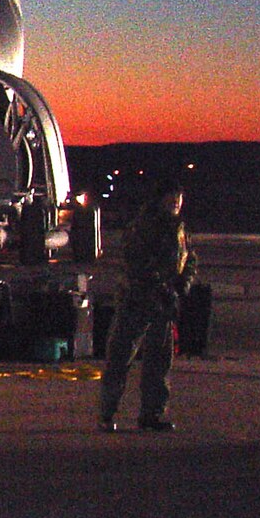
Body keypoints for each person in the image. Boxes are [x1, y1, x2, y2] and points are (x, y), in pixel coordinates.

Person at [97, 181, 196, 432]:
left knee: (159, 362)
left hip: (163, 306)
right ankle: (107, 413)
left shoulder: (179, 228)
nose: (176, 202)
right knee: (120, 358)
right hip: (137, 301)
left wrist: (182, 285)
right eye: (171, 196)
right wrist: (160, 287)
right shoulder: (144, 225)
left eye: (179, 197)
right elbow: (137, 262)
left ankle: (152, 414)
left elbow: (189, 259)